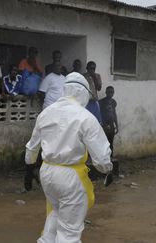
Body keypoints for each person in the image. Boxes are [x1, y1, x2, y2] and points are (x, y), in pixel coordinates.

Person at [25, 72, 112, 243]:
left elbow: (31, 149)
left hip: (47, 172)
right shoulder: (85, 117)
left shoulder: (46, 113)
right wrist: (108, 170)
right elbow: (102, 159)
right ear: (82, 93)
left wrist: (29, 169)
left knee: (55, 213)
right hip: (71, 176)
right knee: (69, 231)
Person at [99, 86, 118, 158]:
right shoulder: (101, 102)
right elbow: (99, 115)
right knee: (104, 144)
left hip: (111, 126)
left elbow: (114, 114)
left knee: (111, 143)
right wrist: (102, 125)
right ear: (106, 93)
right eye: (108, 92)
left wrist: (117, 126)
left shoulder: (114, 102)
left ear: (113, 93)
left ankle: (111, 159)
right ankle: (104, 159)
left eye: (112, 92)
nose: (110, 93)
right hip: (104, 126)